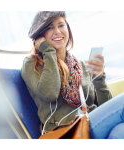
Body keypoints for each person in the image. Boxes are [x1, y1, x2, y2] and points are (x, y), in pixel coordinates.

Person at [21, 10, 124, 140]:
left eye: (61, 25)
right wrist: (48, 51)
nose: (57, 31)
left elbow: (106, 108)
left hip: (90, 122)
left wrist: (99, 78)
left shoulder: (80, 65)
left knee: (120, 131)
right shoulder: (32, 64)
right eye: (49, 28)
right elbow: (50, 93)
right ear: (40, 37)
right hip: (66, 131)